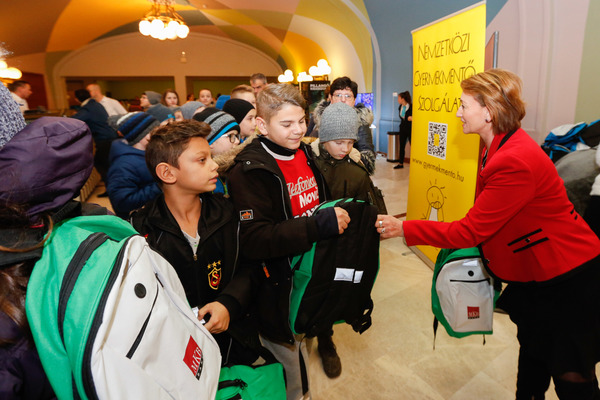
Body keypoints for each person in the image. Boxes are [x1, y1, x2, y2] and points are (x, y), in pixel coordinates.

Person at [376, 69, 600, 400]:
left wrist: (404, 227)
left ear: (489, 112)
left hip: (567, 275)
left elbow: (469, 230)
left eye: (463, 105)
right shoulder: (494, 145)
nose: (458, 113)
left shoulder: (514, 160)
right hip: (535, 270)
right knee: (534, 350)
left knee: (571, 371)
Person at [227, 83, 350, 400]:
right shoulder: (249, 171)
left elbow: (318, 202)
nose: (298, 130)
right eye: (287, 124)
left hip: (312, 269)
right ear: (262, 125)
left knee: (304, 341)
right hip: (279, 283)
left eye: (302, 121)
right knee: (289, 366)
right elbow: (255, 239)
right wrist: (316, 226)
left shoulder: (305, 152)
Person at [130, 120, 258, 365]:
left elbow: (252, 265)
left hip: (235, 338)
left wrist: (228, 303)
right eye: (202, 160)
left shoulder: (229, 212)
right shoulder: (142, 231)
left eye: (210, 157)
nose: (214, 165)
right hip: (177, 351)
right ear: (168, 173)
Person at [310, 101, 387, 379]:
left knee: (330, 289)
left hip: (341, 245)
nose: (345, 148)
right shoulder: (307, 164)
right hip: (308, 239)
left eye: (350, 142)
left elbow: (372, 209)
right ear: (324, 138)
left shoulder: (357, 171)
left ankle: (325, 338)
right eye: (338, 142)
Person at [312, 76, 376, 175]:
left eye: (348, 96)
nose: (343, 100)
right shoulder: (320, 118)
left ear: (354, 100)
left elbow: (368, 158)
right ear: (331, 98)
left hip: (348, 173)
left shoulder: (361, 122)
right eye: (338, 95)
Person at [106, 112, 161, 219]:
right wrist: (161, 185)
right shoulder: (123, 165)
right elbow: (122, 202)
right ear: (142, 135)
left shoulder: (149, 152)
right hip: (142, 220)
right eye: (155, 130)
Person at [71, 89, 119, 191]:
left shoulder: (87, 108)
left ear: (76, 99)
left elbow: (74, 120)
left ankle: (111, 189)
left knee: (101, 163)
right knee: (106, 164)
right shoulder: (96, 104)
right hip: (110, 137)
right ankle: (111, 188)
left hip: (104, 139)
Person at [193, 108, 241, 195]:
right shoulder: (201, 177)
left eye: (236, 136)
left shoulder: (237, 165)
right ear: (210, 141)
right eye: (231, 136)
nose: (237, 141)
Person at [394, 91, 412, 169]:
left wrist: (411, 118)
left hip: (410, 129)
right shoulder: (400, 107)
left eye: (399, 98)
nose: (398, 100)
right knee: (401, 146)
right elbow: (402, 118)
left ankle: (414, 164)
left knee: (413, 146)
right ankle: (400, 163)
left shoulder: (411, 107)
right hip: (402, 129)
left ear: (403, 99)